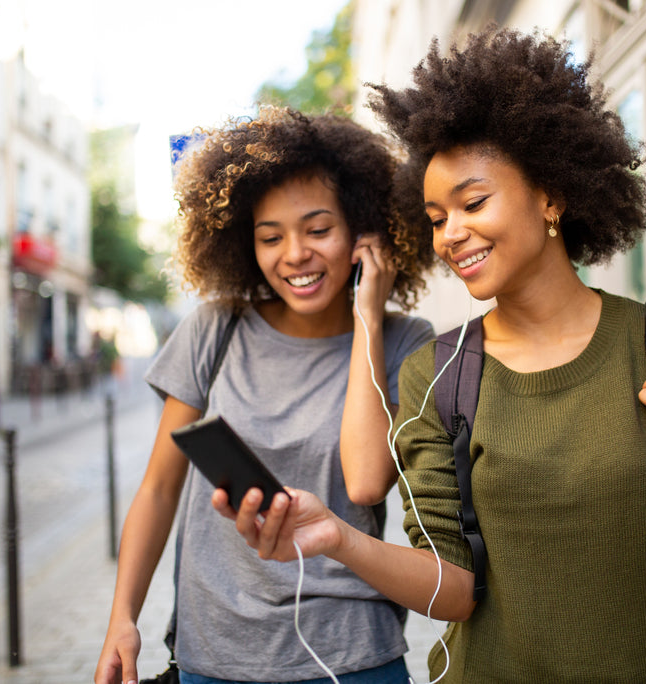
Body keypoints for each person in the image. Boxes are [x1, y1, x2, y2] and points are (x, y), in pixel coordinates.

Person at [214, 28, 646, 682]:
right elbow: (455, 588)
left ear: (550, 194)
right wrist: (339, 539)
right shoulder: (439, 374)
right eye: (436, 217)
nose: (450, 235)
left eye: (472, 202)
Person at [93, 106, 436, 684]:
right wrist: (122, 618)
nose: (294, 254)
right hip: (217, 653)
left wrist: (369, 320)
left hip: (353, 656)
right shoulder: (213, 329)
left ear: (363, 232)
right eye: (270, 237)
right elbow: (156, 489)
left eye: (318, 230)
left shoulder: (405, 342)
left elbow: (366, 482)